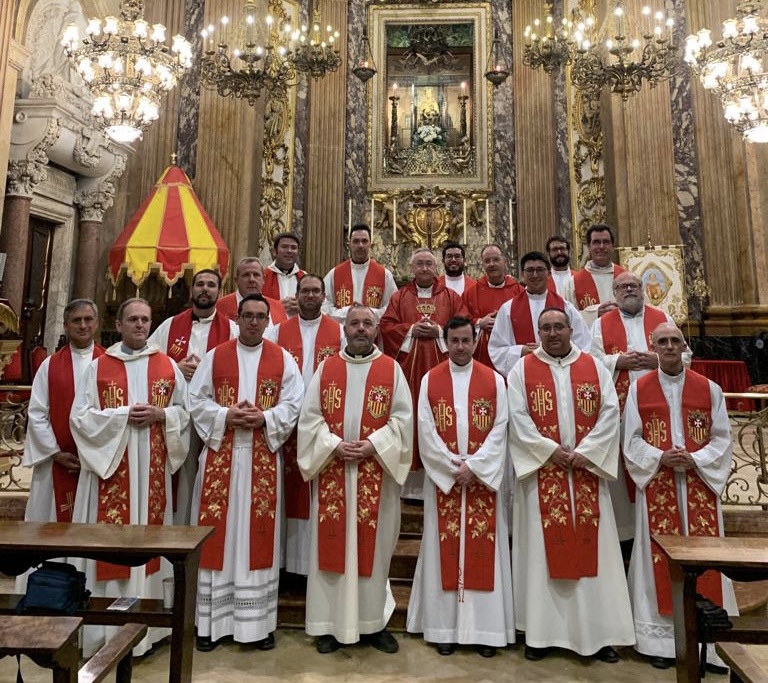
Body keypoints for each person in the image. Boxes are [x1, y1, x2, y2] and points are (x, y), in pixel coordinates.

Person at [507, 308, 634, 663]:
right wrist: (549, 452)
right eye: (545, 328)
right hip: (543, 475)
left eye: (558, 327)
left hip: (586, 473)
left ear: (570, 329)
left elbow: (611, 413)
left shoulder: (594, 367)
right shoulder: (522, 370)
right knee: (541, 557)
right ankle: (541, 633)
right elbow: (517, 418)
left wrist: (587, 452)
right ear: (538, 331)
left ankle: (601, 634)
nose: (552, 334)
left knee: (597, 555)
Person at [70, 298, 190, 657]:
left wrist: (161, 414)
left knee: (147, 543)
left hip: (151, 472)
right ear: (118, 324)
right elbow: (80, 418)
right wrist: (123, 415)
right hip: (112, 469)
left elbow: (184, 414)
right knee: (108, 545)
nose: (139, 325)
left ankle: (146, 633)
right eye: (132, 319)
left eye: (144, 319)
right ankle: (100, 633)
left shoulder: (167, 366)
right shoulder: (98, 367)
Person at [189, 293, 303, 652]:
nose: (254, 322)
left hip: (262, 458)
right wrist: (225, 416)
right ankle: (210, 624)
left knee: (258, 537)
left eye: (260, 317)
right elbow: (196, 398)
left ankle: (258, 625)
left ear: (269, 321)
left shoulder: (282, 359)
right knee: (216, 538)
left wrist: (265, 418)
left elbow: (294, 402)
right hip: (221, 456)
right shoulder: (215, 356)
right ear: (237, 319)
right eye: (248, 316)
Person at [297, 305, 412, 654]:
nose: (361, 328)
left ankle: (373, 623)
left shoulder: (391, 370)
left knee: (373, 552)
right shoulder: (326, 368)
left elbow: (403, 422)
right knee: (332, 550)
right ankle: (330, 625)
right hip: (334, 470)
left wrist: (373, 445)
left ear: (376, 329)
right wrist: (333, 446)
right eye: (354, 323)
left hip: (376, 472)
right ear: (344, 328)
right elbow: (309, 419)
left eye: (367, 323)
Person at [623, 322, 737, 672]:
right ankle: (661, 641)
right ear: (653, 347)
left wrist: (696, 459)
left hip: (698, 482)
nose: (669, 347)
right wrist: (660, 458)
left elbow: (722, 437)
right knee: (657, 557)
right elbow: (632, 439)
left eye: (675, 341)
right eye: (663, 342)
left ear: (684, 346)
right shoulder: (638, 389)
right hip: (659, 483)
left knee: (706, 560)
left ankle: (710, 642)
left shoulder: (710, 389)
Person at [407, 317, 514, 658]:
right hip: (447, 479)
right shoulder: (430, 379)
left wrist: (477, 467)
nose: (460, 346)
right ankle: (443, 628)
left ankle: (486, 630)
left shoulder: (494, 380)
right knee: (444, 551)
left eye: (466, 340)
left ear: (474, 340)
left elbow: (501, 427)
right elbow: (425, 427)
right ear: (446, 341)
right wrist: (454, 468)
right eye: (454, 340)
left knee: (485, 552)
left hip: (481, 478)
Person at [590, 271, 685, 543]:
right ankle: (627, 536)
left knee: (658, 458)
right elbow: (591, 363)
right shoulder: (600, 325)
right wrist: (617, 362)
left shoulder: (662, 319)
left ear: (643, 289)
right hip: (618, 410)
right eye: (622, 287)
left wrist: (656, 360)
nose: (628, 290)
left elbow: (685, 356)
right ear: (614, 293)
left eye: (633, 285)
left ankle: (662, 531)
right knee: (622, 468)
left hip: (660, 408)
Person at [265, 274, 344, 576]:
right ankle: (284, 561)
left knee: (317, 492)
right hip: (286, 422)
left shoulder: (339, 332)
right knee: (287, 492)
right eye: (305, 291)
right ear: (296, 295)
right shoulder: (277, 332)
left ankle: (311, 562)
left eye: (316, 291)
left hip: (325, 422)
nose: (310, 296)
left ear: (324, 296)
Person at [148, 269, 237, 523]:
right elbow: (151, 362)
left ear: (219, 293)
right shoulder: (170, 326)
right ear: (191, 290)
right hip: (177, 416)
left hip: (213, 416)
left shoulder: (232, 330)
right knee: (181, 476)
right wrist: (177, 366)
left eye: (211, 285)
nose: (205, 289)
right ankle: (177, 530)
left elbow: (240, 367)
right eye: (200, 284)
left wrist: (206, 372)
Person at [380, 248, 468, 498]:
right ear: (411, 268)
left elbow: (464, 324)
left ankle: (443, 474)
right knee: (411, 417)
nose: (424, 268)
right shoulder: (400, 297)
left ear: (436, 267)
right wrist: (410, 331)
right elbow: (386, 325)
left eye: (429, 264)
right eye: (419, 264)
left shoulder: (450, 297)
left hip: (444, 371)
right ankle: (410, 489)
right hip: (410, 373)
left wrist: (439, 332)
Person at [21, 299, 105, 524]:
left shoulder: (111, 363)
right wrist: (55, 452)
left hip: (98, 462)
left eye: (88, 320)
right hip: (57, 460)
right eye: (76, 320)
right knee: (51, 520)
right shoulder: (50, 365)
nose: (83, 325)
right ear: (66, 325)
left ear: (96, 323)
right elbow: (37, 413)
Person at [488, 251, 591, 378]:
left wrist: (555, 349)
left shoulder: (565, 307)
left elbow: (584, 346)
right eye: (530, 270)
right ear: (522, 275)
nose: (535, 275)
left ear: (548, 274)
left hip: (559, 376)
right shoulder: (508, 309)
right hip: (524, 376)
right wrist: (521, 351)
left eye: (540, 270)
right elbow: (496, 349)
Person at [461, 245, 523, 368]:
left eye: (496, 260)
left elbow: (526, 319)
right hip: (481, 350)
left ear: (504, 262)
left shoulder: (518, 291)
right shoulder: (471, 292)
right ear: (482, 265)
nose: (491, 264)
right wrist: (479, 322)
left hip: (510, 348)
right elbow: (461, 318)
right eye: (487, 261)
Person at [323, 224, 398, 322]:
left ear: (370, 244)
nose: (360, 245)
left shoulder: (384, 275)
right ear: (349, 244)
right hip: (343, 332)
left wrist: (369, 312)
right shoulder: (334, 274)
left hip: (372, 333)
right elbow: (324, 306)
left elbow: (393, 307)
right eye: (356, 241)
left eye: (364, 241)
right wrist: (347, 312)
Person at [564, 224, 626, 327]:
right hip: (590, 341)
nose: (601, 247)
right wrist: (594, 314)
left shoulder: (627, 278)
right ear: (589, 246)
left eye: (606, 242)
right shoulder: (573, 283)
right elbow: (566, 318)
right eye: (596, 242)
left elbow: (642, 310)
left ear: (612, 246)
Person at [216, 257, 288, 325]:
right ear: (236, 280)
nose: (251, 279)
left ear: (263, 279)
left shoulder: (278, 308)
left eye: (256, 275)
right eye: (246, 275)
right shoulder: (220, 306)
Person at [262, 232, 304, 316]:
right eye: (284, 247)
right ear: (274, 251)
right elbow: (250, 305)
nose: (289, 251)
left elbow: (320, 306)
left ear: (298, 252)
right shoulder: (261, 277)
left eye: (293, 248)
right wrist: (277, 307)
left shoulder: (305, 278)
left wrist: (303, 308)